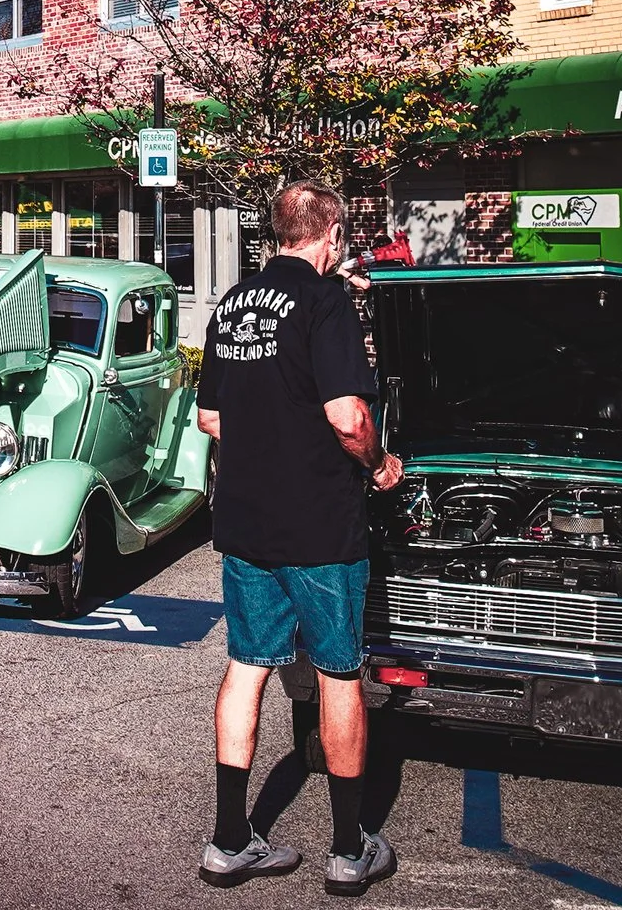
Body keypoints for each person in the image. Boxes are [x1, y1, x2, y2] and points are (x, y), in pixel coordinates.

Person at [193, 181, 402, 896]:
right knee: (339, 670)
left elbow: (211, 421)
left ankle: (228, 840)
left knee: (248, 664)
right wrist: (380, 464)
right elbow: (349, 417)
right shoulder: (325, 301)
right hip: (320, 526)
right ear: (331, 233)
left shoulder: (231, 305)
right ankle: (349, 849)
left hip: (247, 522)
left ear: (275, 231)